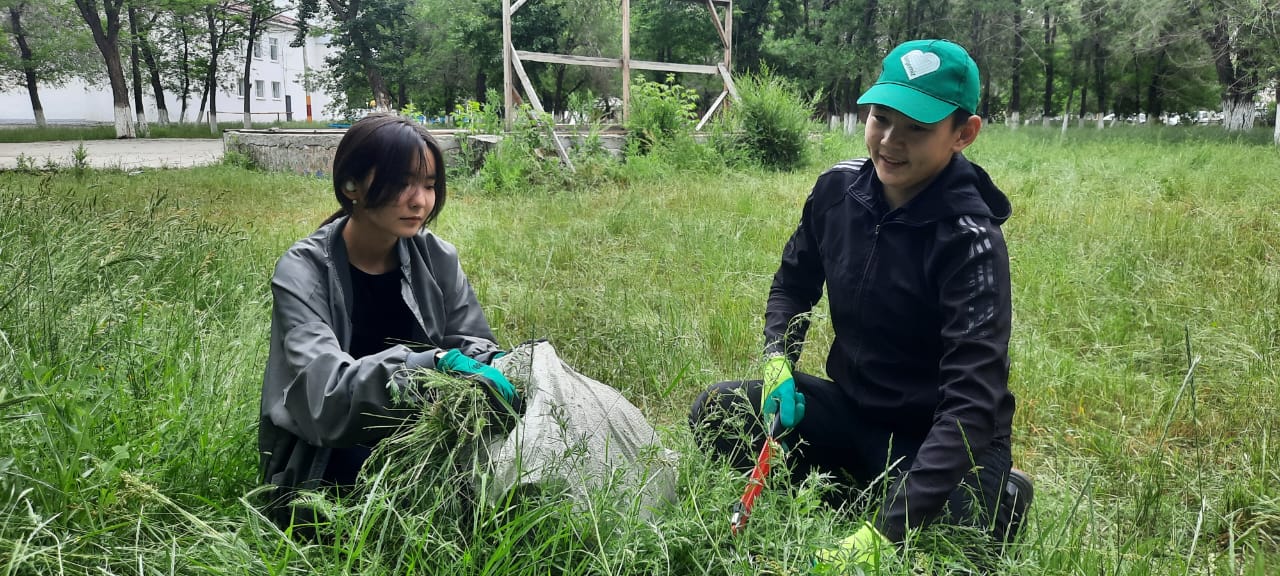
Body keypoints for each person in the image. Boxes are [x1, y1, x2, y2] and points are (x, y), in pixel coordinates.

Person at [689, 39, 1032, 570]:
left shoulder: (971, 241)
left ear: (963, 134)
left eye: (917, 128)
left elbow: (971, 404)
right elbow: (792, 284)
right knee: (718, 412)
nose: (890, 142)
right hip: (854, 408)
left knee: (949, 548)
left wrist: (885, 536)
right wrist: (778, 356)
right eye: (880, 118)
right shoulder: (835, 191)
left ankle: (996, 494)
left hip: (939, 434)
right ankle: (863, 485)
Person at [257, 114, 519, 530]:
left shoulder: (438, 258)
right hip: (327, 452)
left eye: (430, 185)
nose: (420, 201)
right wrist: (429, 366)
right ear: (351, 185)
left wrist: (504, 365)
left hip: (424, 430)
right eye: (402, 184)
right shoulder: (302, 270)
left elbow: (470, 341)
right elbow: (323, 397)